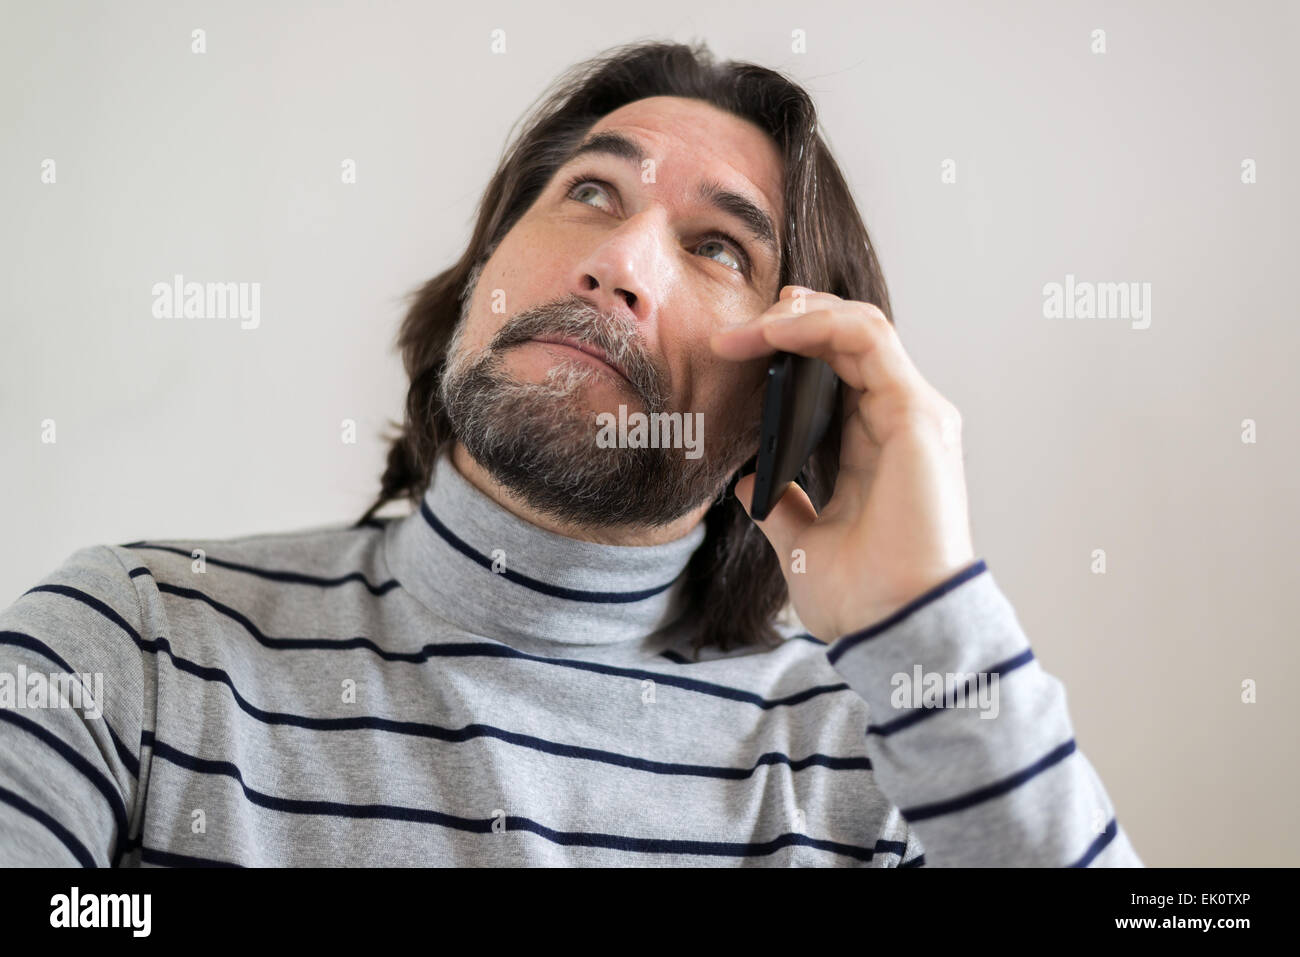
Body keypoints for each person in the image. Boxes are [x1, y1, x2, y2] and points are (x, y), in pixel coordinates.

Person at [0, 40, 1141, 867]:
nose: (621, 262)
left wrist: (927, 618)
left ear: (785, 400)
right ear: (476, 283)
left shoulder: (878, 776)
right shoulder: (131, 644)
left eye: (717, 247)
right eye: (590, 191)